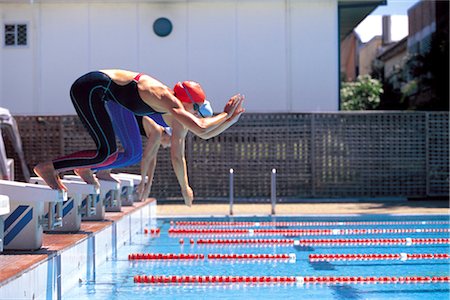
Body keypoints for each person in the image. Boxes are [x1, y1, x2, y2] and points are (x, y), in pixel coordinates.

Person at [33, 69, 245, 191]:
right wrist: (225, 115)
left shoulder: (175, 110)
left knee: (109, 154)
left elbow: (205, 133)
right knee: (107, 152)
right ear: (186, 102)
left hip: (109, 97)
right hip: (91, 89)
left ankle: (84, 168)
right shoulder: (167, 99)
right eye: (196, 108)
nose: (196, 113)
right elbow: (200, 127)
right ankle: (48, 168)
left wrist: (230, 121)